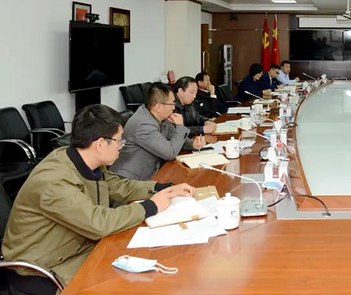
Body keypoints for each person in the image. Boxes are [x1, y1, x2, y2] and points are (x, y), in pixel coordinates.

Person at [1, 104, 195, 294]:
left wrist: (163, 189)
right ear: (101, 144)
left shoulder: (86, 160)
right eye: (119, 140)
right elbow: (98, 222)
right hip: (41, 266)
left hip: (76, 246)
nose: (121, 146)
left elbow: (118, 186)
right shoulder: (55, 181)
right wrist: (150, 207)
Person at [111, 83, 206, 181]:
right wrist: (180, 126)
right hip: (130, 180)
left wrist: (192, 144)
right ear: (158, 107)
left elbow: (173, 136)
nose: (174, 107)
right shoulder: (144, 125)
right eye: (172, 103)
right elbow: (170, 153)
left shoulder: (158, 116)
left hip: (152, 173)